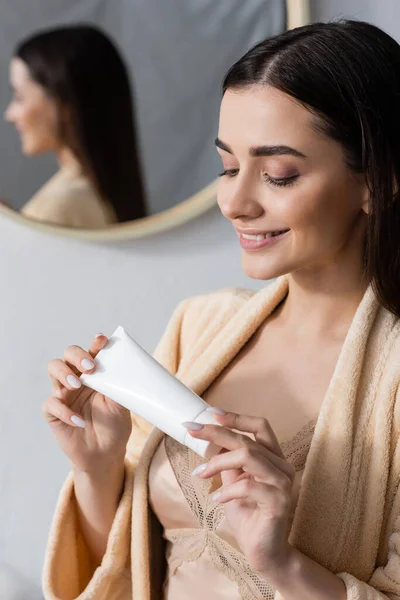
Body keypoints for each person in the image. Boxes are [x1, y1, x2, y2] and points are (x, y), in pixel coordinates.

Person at [42, 20, 400, 599]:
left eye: (279, 174)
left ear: (379, 181)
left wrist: (280, 563)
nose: (233, 202)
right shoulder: (200, 327)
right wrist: (96, 465)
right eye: (228, 167)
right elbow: (126, 571)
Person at [5, 25, 146, 228]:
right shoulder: (98, 192)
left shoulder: (59, 207)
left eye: (19, 97)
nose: (9, 115)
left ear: (62, 103)